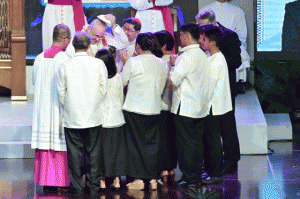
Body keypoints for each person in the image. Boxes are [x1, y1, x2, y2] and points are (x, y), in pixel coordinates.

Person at [57, 32, 108, 196]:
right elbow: (103, 90)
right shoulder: (98, 63)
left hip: (72, 117)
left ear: (73, 45)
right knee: (93, 154)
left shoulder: (65, 64)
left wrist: (70, 105)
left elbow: (60, 92)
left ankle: (76, 188)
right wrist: (93, 103)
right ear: (89, 45)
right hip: (93, 116)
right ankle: (93, 187)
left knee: (74, 155)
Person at [196, 9, 241, 174]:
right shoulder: (202, 40)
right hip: (209, 85)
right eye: (199, 26)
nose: (201, 31)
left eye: (204, 26)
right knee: (210, 130)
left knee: (227, 127)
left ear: (213, 23)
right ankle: (211, 163)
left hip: (225, 87)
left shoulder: (229, 36)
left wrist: (215, 63)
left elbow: (236, 61)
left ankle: (230, 162)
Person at [121, 32, 168, 190]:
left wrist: (124, 63)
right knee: (152, 144)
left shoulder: (132, 62)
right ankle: (153, 179)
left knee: (135, 145)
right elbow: (161, 87)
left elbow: (123, 81)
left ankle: (139, 179)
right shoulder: (161, 62)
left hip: (134, 108)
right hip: (154, 108)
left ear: (138, 46)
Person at [31, 24, 71, 192]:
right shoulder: (64, 59)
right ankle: (60, 180)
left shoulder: (39, 57)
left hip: (42, 108)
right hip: (57, 108)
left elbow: (34, 81)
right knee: (57, 142)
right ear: (65, 39)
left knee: (45, 143)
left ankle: (45, 180)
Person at [172, 23, 211, 187]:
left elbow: (175, 79)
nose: (180, 38)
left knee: (185, 144)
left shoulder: (187, 56)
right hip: (200, 106)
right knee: (196, 143)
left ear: (186, 36)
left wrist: (172, 67)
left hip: (186, 106)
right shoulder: (202, 55)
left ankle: (189, 177)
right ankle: (195, 176)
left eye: (181, 35)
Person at [199, 25, 233, 184]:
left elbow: (209, 87)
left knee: (213, 141)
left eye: (203, 39)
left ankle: (217, 173)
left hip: (213, 106)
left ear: (213, 42)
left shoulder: (216, 60)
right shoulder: (212, 57)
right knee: (211, 140)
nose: (201, 41)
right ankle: (212, 170)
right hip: (214, 105)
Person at [95, 49, 126, 191]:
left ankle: (101, 180)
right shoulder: (118, 78)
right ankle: (117, 180)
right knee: (116, 152)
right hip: (117, 119)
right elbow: (121, 98)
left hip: (101, 120)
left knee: (102, 151)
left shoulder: (96, 79)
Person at [200, 0, 250, 84]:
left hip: (230, 46)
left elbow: (241, 34)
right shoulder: (205, 9)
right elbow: (200, 32)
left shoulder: (238, 11)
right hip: (209, 46)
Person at [154, 30, 177, 184]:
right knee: (172, 139)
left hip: (161, 106)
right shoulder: (178, 59)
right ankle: (171, 168)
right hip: (174, 107)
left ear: (162, 45)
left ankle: (163, 169)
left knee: (161, 140)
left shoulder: (159, 62)